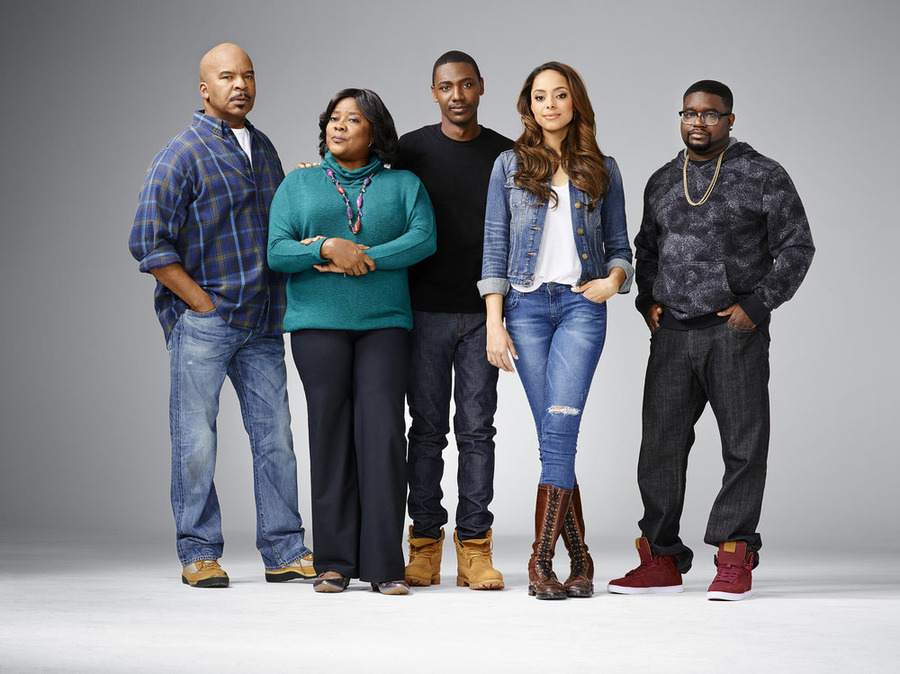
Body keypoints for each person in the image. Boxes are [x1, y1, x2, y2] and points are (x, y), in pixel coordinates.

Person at [607, 80, 814, 601]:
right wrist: (646, 300)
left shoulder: (763, 174)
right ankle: (661, 560)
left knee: (743, 446)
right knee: (659, 447)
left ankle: (733, 554)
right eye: (689, 113)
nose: (698, 122)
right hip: (672, 335)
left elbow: (797, 246)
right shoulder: (661, 179)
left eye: (711, 114)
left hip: (733, 333)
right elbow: (646, 247)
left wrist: (757, 305)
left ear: (730, 119)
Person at [129, 43, 313, 587]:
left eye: (248, 75)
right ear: (204, 89)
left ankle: (284, 550)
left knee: (275, 436)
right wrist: (201, 302)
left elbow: (282, 227)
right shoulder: (179, 154)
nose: (241, 85)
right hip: (207, 322)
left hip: (263, 320)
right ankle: (198, 552)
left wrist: (305, 185)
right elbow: (147, 241)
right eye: (227, 76)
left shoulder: (265, 147)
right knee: (196, 440)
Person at [267, 88, 436, 596]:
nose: (339, 127)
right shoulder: (298, 183)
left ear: (375, 132)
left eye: (353, 119)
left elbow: (424, 238)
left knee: (383, 435)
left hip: (384, 322)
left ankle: (385, 564)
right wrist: (325, 245)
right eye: (333, 119)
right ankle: (335, 563)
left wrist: (362, 257)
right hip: (318, 325)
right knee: (330, 435)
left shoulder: (404, 184)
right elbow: (277, 251)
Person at [479, 62, 633, 600]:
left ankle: (540, 561)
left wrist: (614, 281)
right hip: (523, 308)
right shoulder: (509, 165)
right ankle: (581, 559)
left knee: (559, 432)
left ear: (575, 102)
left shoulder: (603, 168)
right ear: (529, 105)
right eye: (540, 96)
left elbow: (620, 246)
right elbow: (494, 247)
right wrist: (495, 324)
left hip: (580, 309)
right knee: (555, 439)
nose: (549, 104)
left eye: (559, 95)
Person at [393, 50, 513, 591]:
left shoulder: (507, 153)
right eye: (446, 87)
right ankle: (423, 543)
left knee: (477, 432)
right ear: (434, 91)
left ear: (481, 88)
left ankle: (474, 548)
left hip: (482, 313)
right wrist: (313, 170)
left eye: (466, 85)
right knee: (425, 433)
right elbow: (357, 174)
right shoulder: (411, 150)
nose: (457, 95)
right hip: (422, 310)